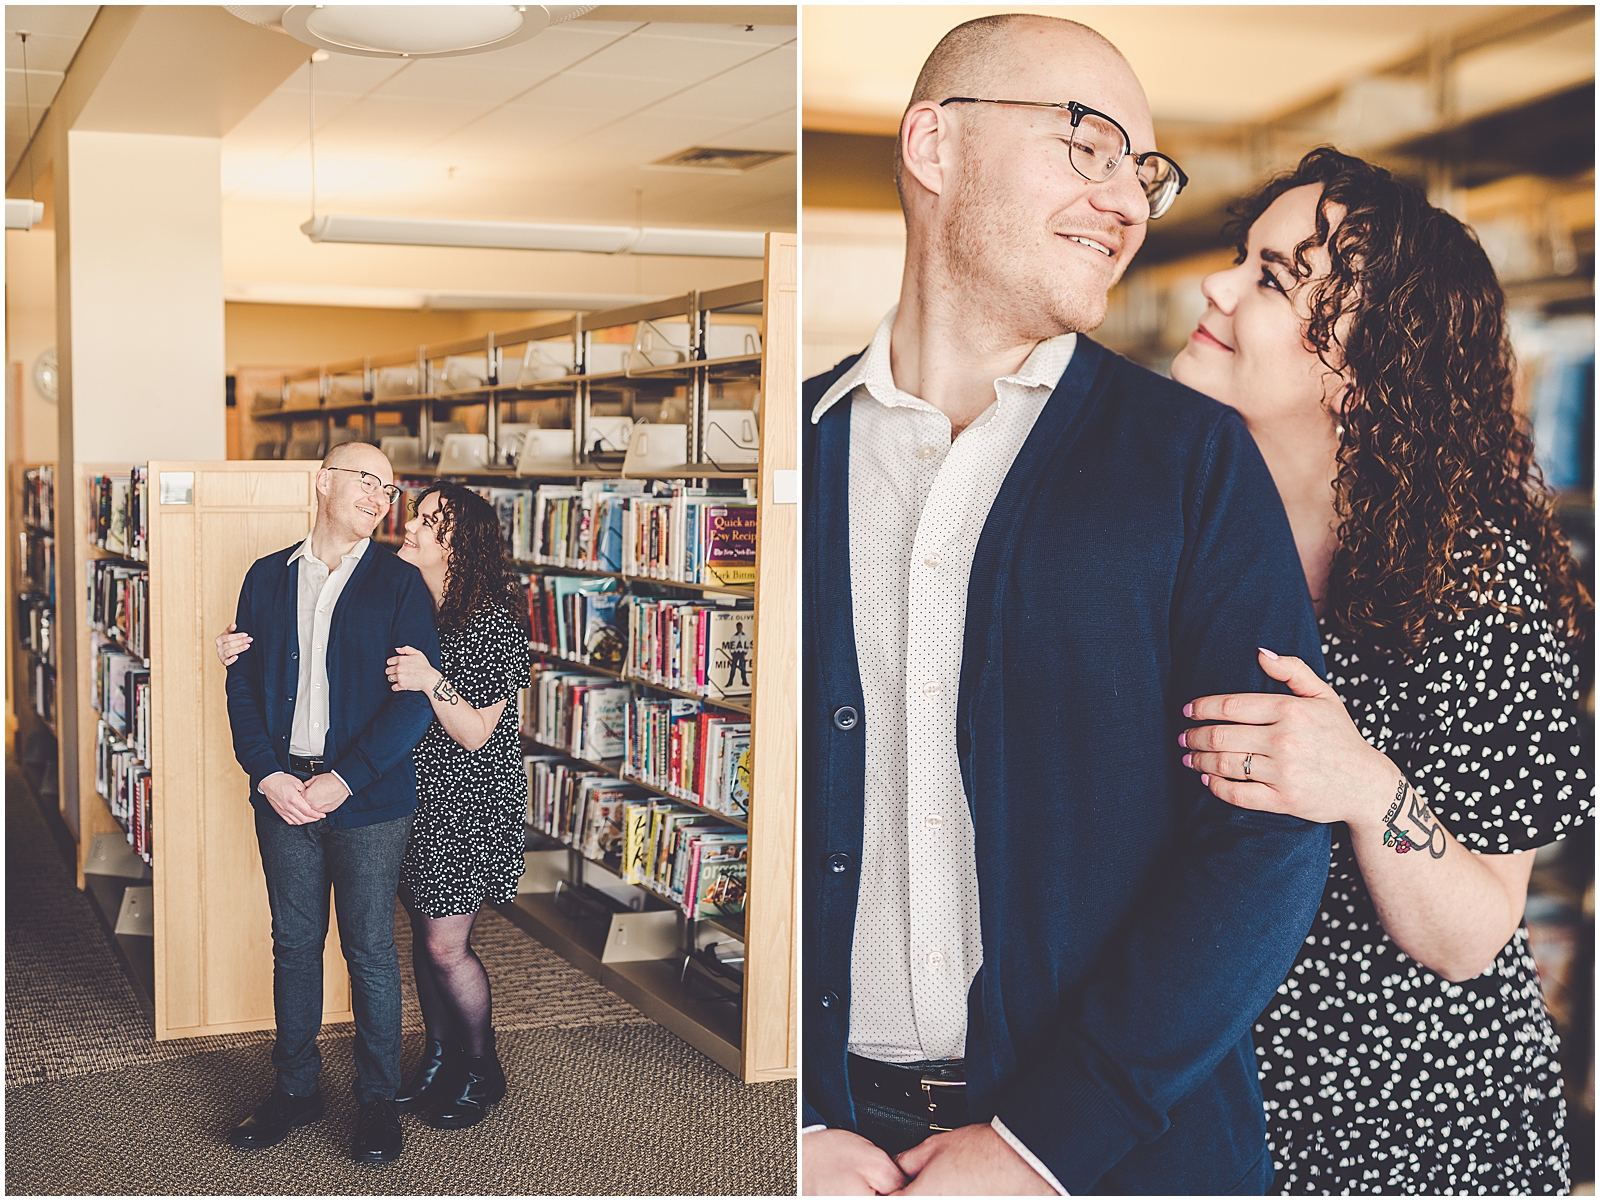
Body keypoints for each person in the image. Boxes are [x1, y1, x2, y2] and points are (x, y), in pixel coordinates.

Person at [802, 14, 1334, 1196]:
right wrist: (789, 1115)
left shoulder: (1192, 460)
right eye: (1090, 146)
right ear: (935, 146)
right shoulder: (793, 458)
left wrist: (1041, 1143)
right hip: (835, 1148)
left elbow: (1266, 831)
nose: (1129, 202)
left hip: (1125, 1155)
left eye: (1143, 171)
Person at [1168, 147, 1593, 1194]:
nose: (1213, 287)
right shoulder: (1182, 520)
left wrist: (1357, 781)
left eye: (1272, 277)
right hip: (1205, 1085)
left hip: (1414, 1117)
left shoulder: (1473, 572)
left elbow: (1471, 934)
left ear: (1362, 368)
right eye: (1243, 256)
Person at [221, 482, 533, 1131]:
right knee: (421, 938)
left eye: (427, 522)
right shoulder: (412, 601)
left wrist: (430, 680)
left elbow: (477, 732)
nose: (408, 527)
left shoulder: (496, 624)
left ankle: (481, 1064)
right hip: (405, 795)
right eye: (414, 515)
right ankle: (441, 1052)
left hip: (468, 804)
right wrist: (243, 649)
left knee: (447, 946)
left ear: (459, 543)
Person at [222, 441, 440, 1164]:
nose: (381, 496)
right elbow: (243, 685)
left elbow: (415, 704)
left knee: (371, 949)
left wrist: (343, 779)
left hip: (370, 799)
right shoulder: (265, 576)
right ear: (324, 483)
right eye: (366, 480)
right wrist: (266, 774)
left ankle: (377, 1102)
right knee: (294, 944)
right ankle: (295, 1088)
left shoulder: (399, 584)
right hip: (283, 793)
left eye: (389, 487)